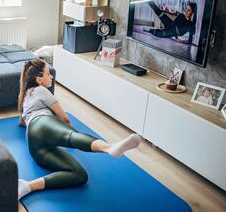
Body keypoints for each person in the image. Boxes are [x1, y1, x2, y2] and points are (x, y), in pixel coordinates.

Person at [17, 59, 142, 200]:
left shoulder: (25, 95)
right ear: (39, 79)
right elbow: (65, 119)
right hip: (42, 123)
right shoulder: (41, 90)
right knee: (70, 136)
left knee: (80, 175)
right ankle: (109, 147)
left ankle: (28, 186)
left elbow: (21, 121)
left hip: (35, 147)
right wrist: (71, 137)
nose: (51, 76)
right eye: (48, 74)